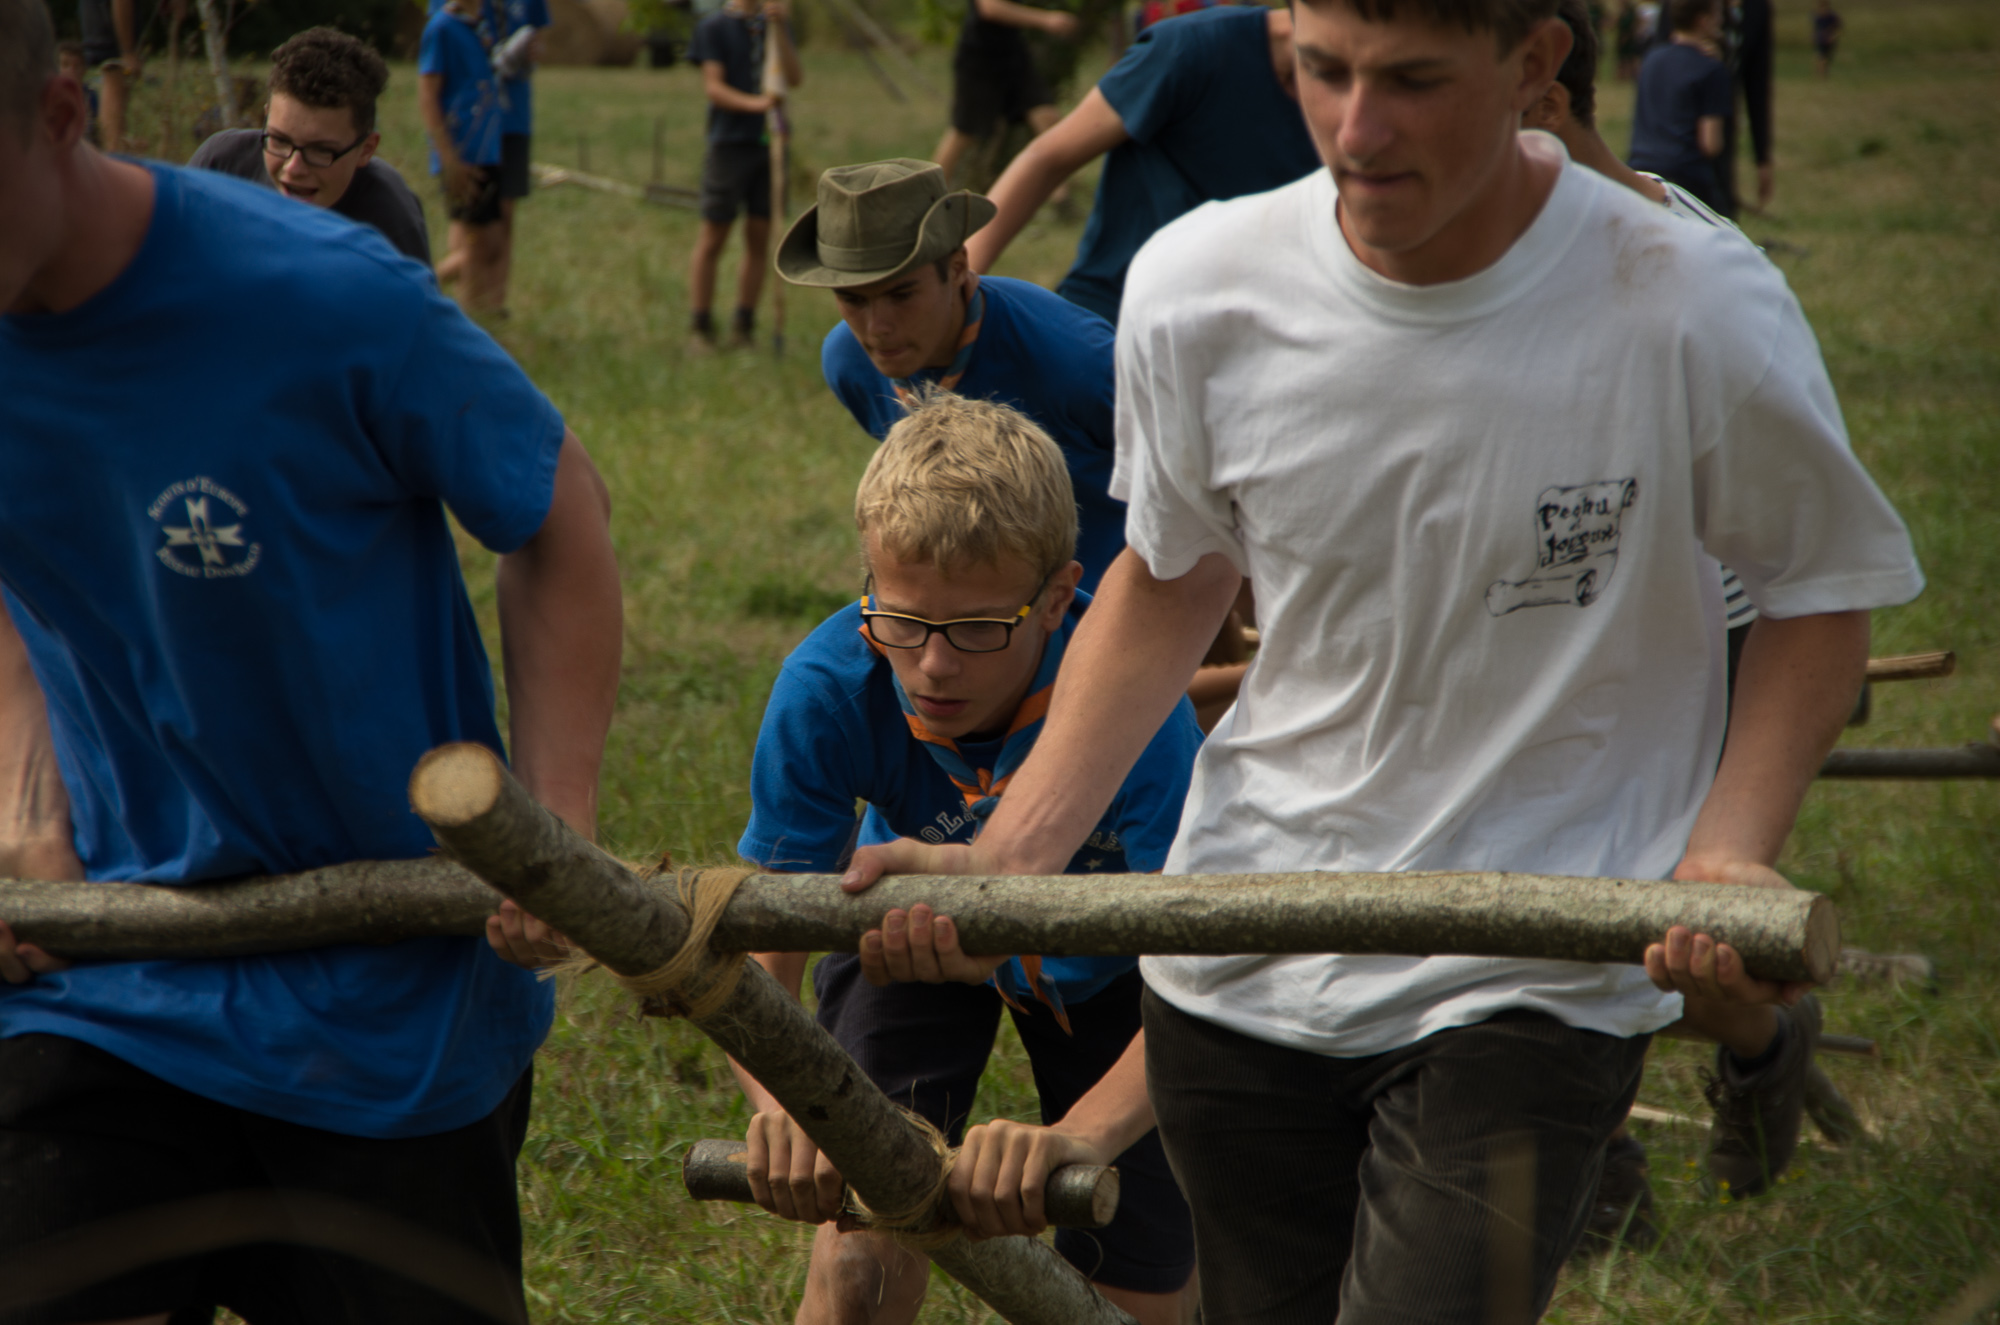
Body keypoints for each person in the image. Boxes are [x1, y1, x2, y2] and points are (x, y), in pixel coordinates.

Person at [838, 0, 1925, 1316]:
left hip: (1529, 962)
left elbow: (1816, 590)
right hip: (1241, 951)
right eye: (1324, 71)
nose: (1357, 129)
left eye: (1412, 80)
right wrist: (1011, 855)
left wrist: (1728, 846)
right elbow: (1173, 576)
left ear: (1533, 63)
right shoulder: (1199, 286)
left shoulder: (1685, 299)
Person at [0, 5, 622, 1321]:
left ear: (60, 116)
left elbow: (558, 508)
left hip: (386, 991)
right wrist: (23, 796)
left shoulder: (322, 293)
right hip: (106, 972)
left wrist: (557, 820)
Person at [731, 390, 1201, 1325]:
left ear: (1059, 598)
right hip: (904, 929)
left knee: (1137, 1291)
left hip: (1117, 972)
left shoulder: (1144, 719)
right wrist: (785, 1101)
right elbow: (765, 941)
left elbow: (1204, 975)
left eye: (980, 629)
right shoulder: (828, 688)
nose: (934, 666)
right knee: (859, 1255)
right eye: (902, 621)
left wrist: (1083, 1133)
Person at [1528, 0, 1828, 1251]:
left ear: (1540, 92)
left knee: (1668, 942)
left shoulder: (1693, 267)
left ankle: (1760, 1038)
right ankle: (1601, 1169)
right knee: (1534, 900)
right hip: (1552, 629)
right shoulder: (1482, 252)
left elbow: (1801, 549)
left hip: (1701, 640)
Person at [776, 160, 1128, 592]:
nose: (877, 328)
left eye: (902, 294)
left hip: (1099, 599)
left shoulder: (1080, 363)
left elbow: (1187, 494)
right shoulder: (848, 362)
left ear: (958, 266)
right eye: (853, 300)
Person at [967, 3, 1321, 324]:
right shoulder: (1195, 48)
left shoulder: (1347, 117)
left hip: (1244, 335)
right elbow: (1047, 158)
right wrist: (958, 288)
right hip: (1113, 317)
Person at [189, 26, 431, 267]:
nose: (293, 168)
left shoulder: (390, 221)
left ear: (366, 149)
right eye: (279, 140)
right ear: (266, 117)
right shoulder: (220, 169)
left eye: (321, 150)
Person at [686, 0, 801, 351]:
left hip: (769, 146)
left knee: (760, 235)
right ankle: (700, 326)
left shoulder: (774, 26)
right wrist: (759, 105)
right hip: (729, 144)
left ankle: (744, 325)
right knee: (714, 234)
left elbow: (794, 77)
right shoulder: (714, 28)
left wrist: (780, 29)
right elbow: (714, 88)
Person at [420, 0, 508, 312]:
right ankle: (418, 289)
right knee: (477, 247)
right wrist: (449, 159)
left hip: (487, 151)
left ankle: (466, 310)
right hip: (463, 153)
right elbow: (428, 95)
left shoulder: (480, 26)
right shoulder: (441, 28)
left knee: (489, 244)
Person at [935, 0, 1078, 186]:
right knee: (964, 131)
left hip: (1012, 52)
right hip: (980, 55)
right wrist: (1045, 19)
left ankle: (1060, 195)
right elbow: (990, 8)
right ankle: (929, 190)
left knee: (1046, 116)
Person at [1628, 0, 1732, 214]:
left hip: (1641, 170)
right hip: (1686, 179)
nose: (1721, 21)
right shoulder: (1711, 69)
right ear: (1703, 21)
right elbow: (1710, 143)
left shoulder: (1651, 58)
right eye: (1717, 15)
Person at [75, 0, 137, 152]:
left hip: (99, 18)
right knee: (115, 73)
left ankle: (113, 149)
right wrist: (127, 51)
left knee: (115, 79)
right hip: (109, 24)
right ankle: (114, 153)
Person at [1813, 0, 1843, 77]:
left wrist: (1833, 37)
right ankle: (1821, 75)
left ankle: (1823, 73)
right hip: (1821, 40)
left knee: (1828, 59)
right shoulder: (1818, 18)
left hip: (1830, 41)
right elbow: (1816, 30)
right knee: (1822, 58)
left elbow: (1838, 28)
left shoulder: (1832, 17)